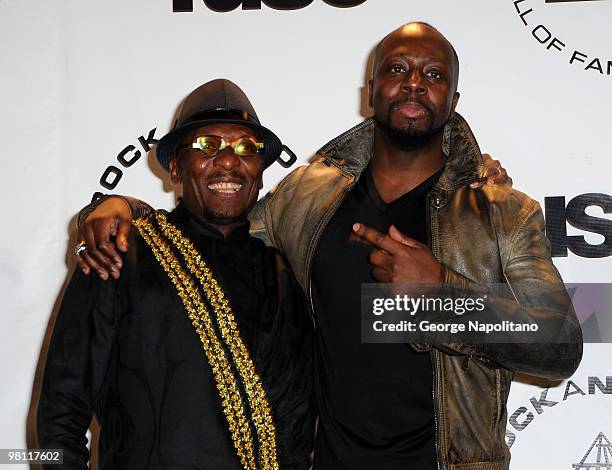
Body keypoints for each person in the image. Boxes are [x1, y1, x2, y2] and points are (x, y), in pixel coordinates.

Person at [70, 23, 582, 470]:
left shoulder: (501, 212)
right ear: (372, 90)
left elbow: (560, 346)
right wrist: (124, 207)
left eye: (433, 75)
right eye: (398, 68)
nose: (413, 83)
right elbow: (215, 220)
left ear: (454, 100)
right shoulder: (308, 200)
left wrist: (439, 294)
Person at [38, 79, 314, 469]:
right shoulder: (119, 252)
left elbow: (297, 424)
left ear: (260, 170)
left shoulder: (281, 275)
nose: (229, 160)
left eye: (245, 148)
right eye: (207, 145)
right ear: (174, 167)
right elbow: (59, 416)